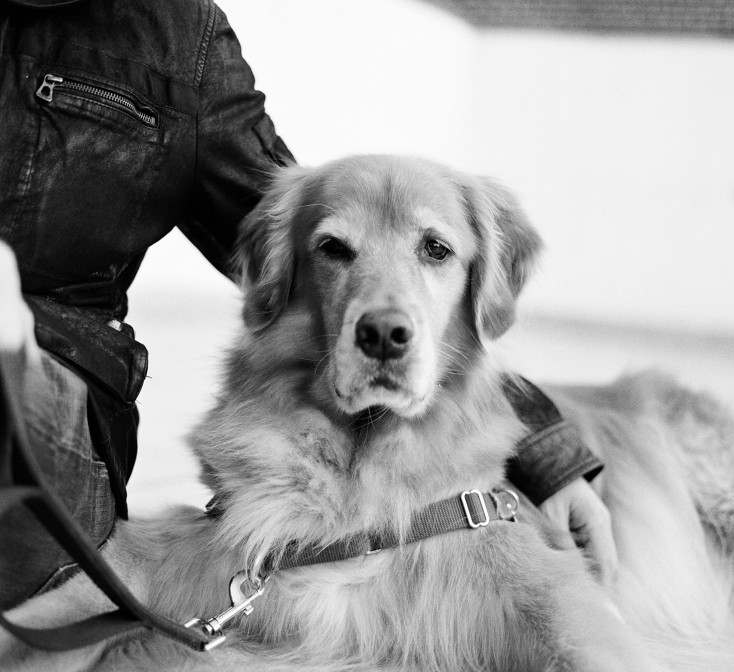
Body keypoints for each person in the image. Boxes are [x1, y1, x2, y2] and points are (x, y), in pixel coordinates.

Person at [0, 0, 615, 611]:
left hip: (46, 377)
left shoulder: (173, 36)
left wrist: (548, 456)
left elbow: (321, 232)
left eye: (433, 249)